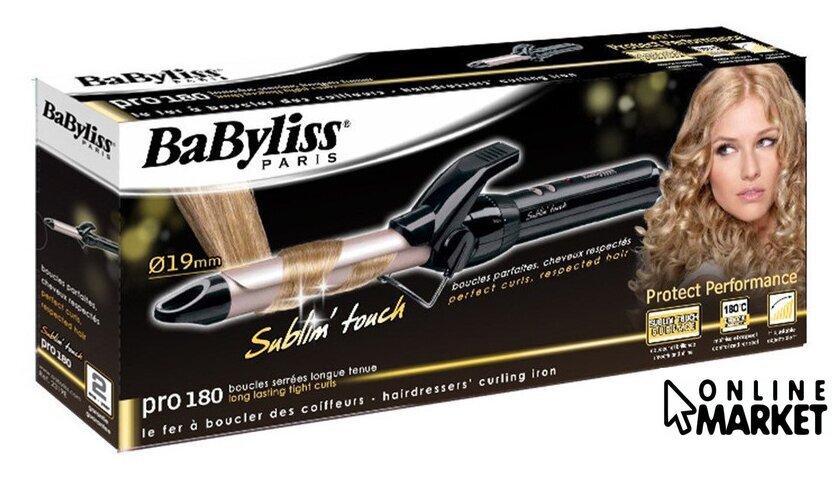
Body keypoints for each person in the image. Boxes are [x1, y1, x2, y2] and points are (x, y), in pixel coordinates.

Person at [630, 63, 805, 297]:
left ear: (793, 147)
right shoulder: (708, 281)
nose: (750, 170)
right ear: (701, 162)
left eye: (765, 142)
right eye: (726, 149)